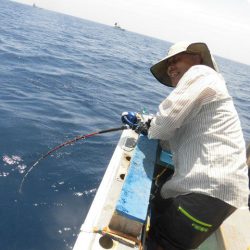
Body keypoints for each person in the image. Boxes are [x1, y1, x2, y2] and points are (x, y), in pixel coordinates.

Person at [123, 41, 249, 250]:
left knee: (161, 244)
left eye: (175, 60)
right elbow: (168, 141)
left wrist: (147, 126)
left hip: (208, 190)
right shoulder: (205, 92)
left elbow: (164, 124)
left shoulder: (201, 72)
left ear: (197, 58)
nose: (170, 67)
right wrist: (149, 127)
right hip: (222, 196)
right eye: (168, 64)